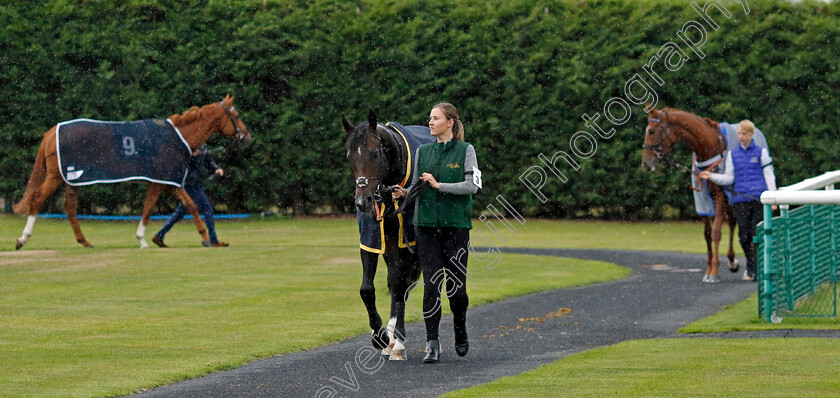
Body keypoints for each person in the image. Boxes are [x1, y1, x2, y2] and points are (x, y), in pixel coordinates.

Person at [392, 103, 481, 363]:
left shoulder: (466, 150)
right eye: (429, 118)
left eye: (435, 118)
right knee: (431, 286)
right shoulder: (423, 151)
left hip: (456, 227)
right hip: (427, 227)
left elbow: (471, 187)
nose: (430, 123)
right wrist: (405, 193)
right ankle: (432, 342)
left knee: (457, 290)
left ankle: (460, 330)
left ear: (450, 122)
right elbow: (419, 187)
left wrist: (439, 184)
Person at [699, 120, 776, 281]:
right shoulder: (733, 155)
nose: (741, 137)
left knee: (757, 235)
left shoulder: (761, 153)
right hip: (740, 200)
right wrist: (711, 176)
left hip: (758, 199)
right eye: (740, 134)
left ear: (751, 135)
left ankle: (755, 268)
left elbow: (769, 175)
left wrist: (773, 197)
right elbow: (729, 178)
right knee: (743, 236)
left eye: (744, 134)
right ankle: (751, 263)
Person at [153, 144, 229, 248]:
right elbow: (178, 161)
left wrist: (216, 168)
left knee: (180, 212)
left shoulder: (202, 145)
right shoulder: (187, 144)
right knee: (207, 209)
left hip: (195, 182)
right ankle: (213, 240)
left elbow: (208, 160)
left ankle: (159, 235)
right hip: (190, 183)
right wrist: (190, 155)